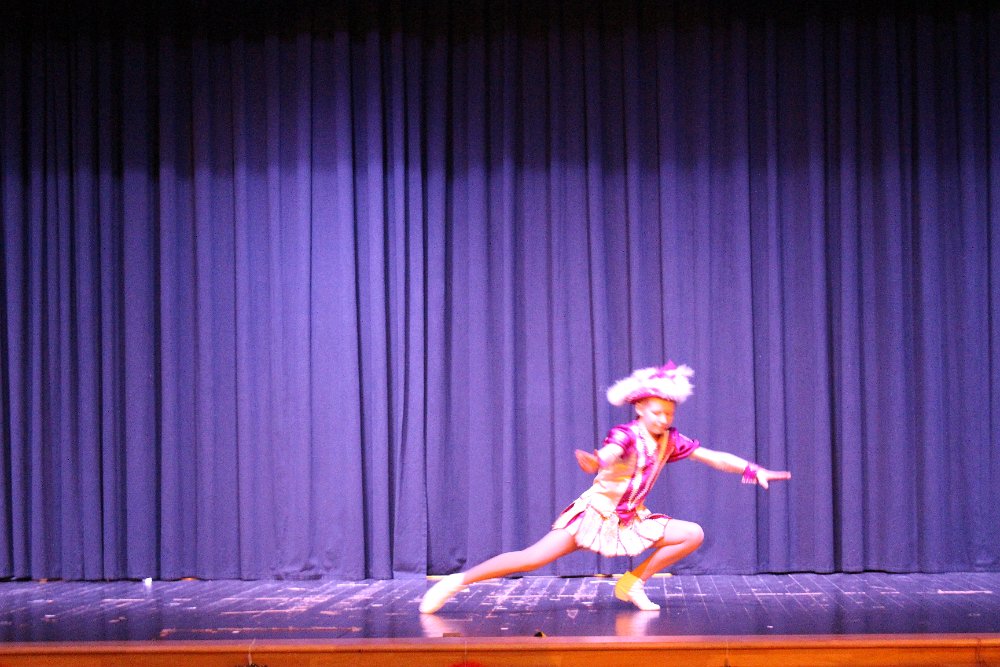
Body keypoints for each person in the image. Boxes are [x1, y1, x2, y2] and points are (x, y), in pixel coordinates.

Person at [419, 362, 791, 614]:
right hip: (594, 515)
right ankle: (457, 582)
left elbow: (711, 456)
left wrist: (752, 469)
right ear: (640, 408)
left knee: (691, 534)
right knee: (531, 558)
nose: (664, 419)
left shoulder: (670, 440)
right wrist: (599, 460)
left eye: (669, 413)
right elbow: (613, 451)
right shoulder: (627, 434)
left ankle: (632, 583)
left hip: (630, 519)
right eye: (657, 412)